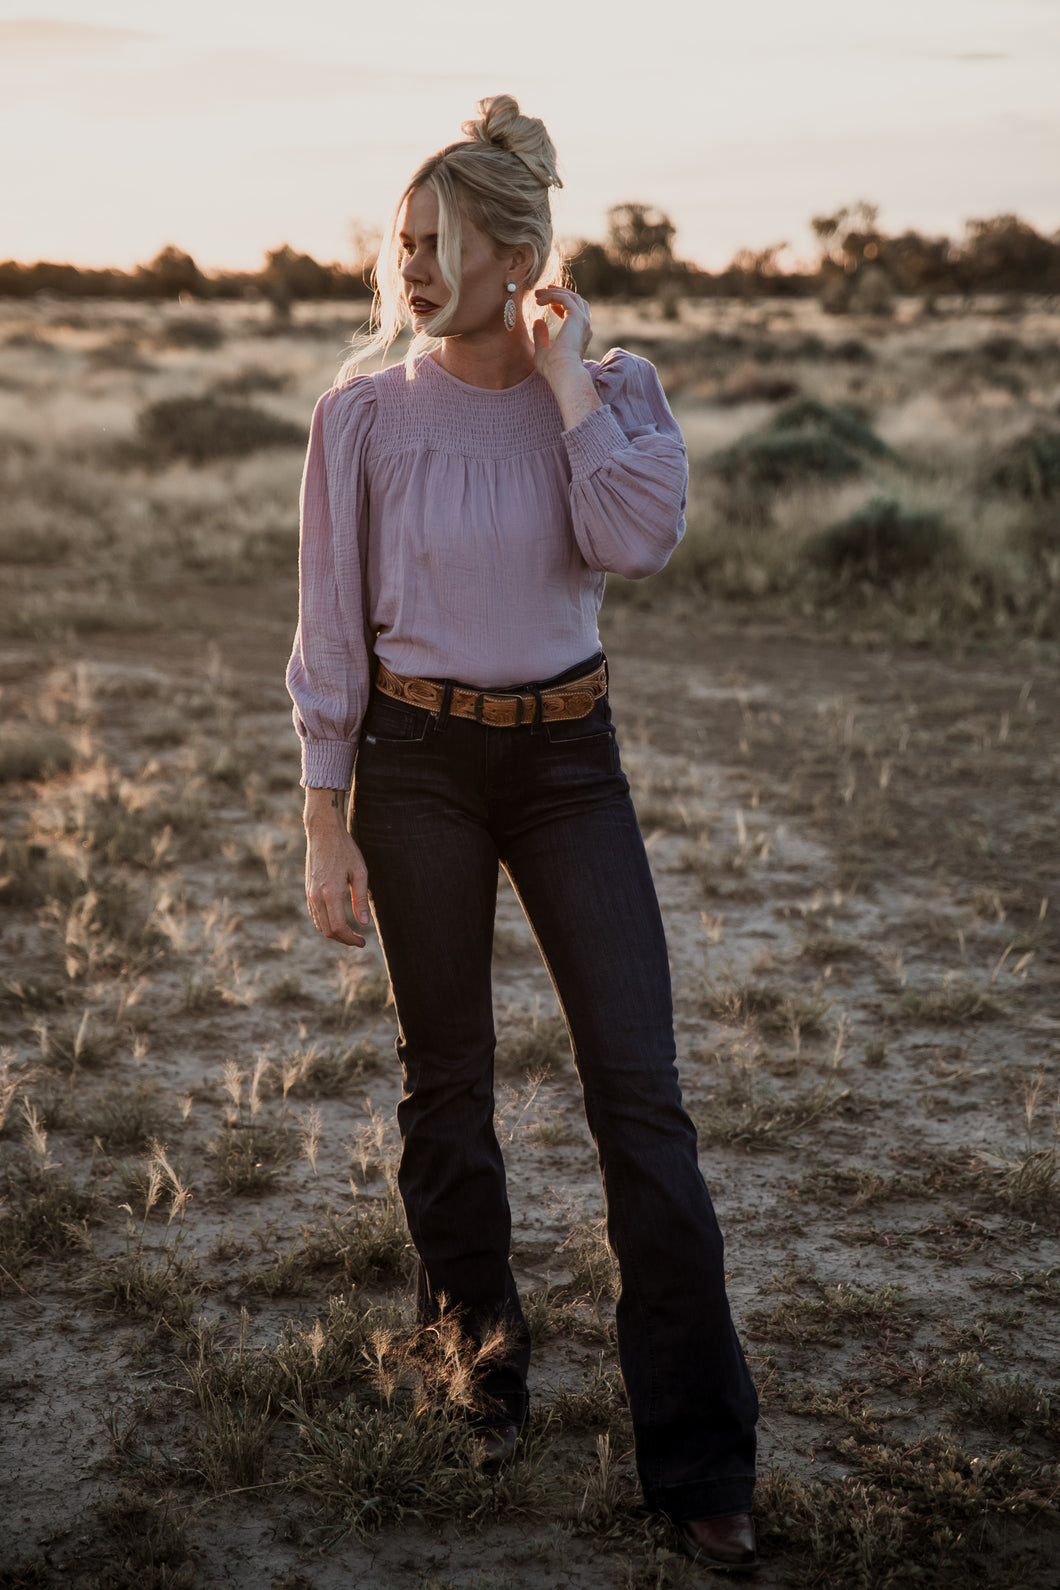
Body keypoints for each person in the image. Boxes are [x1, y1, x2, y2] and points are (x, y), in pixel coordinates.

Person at [287, 94, 760, 1571]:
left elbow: (636, 536)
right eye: (404, 241)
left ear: (521, 255)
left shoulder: (616, 391)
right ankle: (483, 1369)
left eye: (445, 243)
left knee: (643, 1099)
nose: (414, 267)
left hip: (571, 763)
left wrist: (563, 380)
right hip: (418, 765)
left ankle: (699, 1459)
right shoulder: (361, 417)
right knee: (450, 1086)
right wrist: (325, 817)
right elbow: (327, 637)